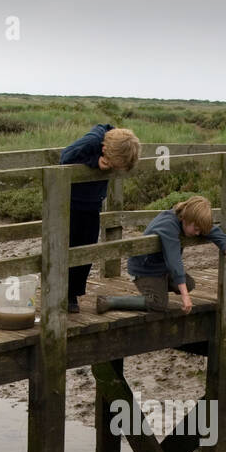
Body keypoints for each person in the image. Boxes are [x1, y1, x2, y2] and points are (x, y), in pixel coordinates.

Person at [95, 196, 226, 314]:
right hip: (144, 270)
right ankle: (109, 300)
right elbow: (174, 261)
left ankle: (159, 287)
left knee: (189, 284)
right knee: (158, 304)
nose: (198, 234)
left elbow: (218, 235)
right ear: (187, 218)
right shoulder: (168, 226)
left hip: (162, 268)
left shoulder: (190, 220)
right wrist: (185, 297)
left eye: (200, 231)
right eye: (196, 229)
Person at [60, 123, 140, 312]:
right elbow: (65, 157)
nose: (113, 168)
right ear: (105, 150)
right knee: (70, 247)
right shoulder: (93, 141)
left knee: (87, 250)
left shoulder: (120, 144)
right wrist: (95, 161)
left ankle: (74, 293)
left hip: (93, 204)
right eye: (114, 165)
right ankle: (64, 294)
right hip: (71, 204)